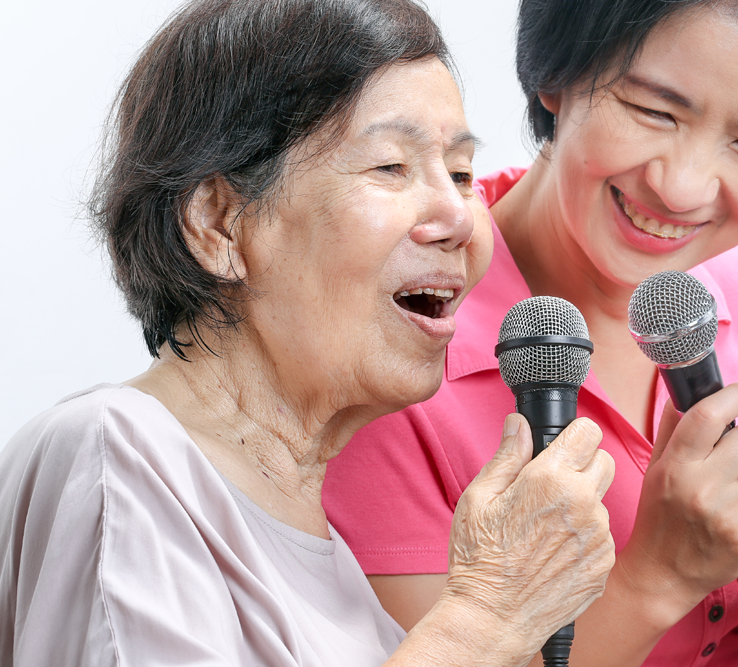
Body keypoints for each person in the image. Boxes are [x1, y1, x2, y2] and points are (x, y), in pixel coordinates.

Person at [0, 1, 618, 665]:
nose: (462, 218)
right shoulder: (115, 453)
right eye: (391, 167)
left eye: (462, 174)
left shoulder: (338, 570)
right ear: (219, 223)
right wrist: (488, 616)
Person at [324, 0, 738, 665]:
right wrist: (659, 577)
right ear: (556, 76)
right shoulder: (399, 335)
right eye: (654, 111)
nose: (681, 189)